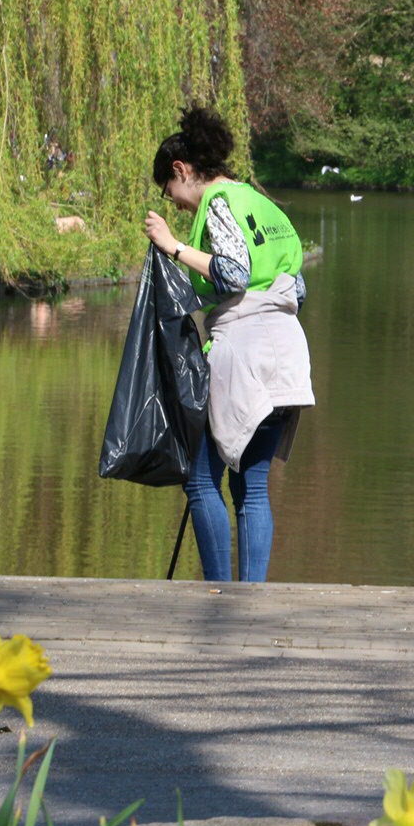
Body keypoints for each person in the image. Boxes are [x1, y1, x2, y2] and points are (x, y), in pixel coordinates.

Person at [144, 107, 314, 583]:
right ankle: (252, 598)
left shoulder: (218, 202)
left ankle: (217, 594)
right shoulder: (262, 203)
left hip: (243, 357)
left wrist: (172, 246)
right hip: (287, 354)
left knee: (200, 480)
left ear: (181, 171)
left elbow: (233, 273)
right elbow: (298, 289)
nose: (175, 203)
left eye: (169, 191)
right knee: (251, 486)